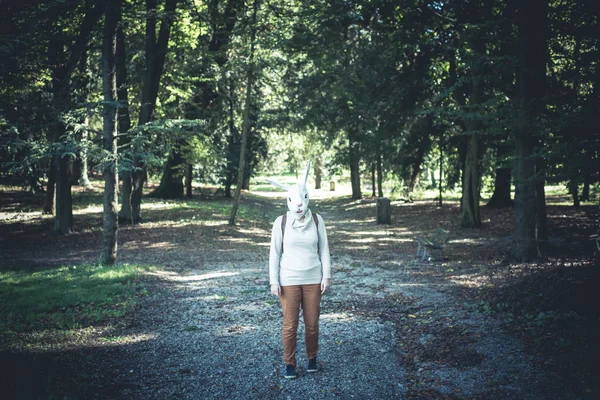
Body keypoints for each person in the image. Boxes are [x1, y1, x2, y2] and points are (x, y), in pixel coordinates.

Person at [268, 165, 331, 379]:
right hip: (288, 280)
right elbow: (275, 253)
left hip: (313, 278)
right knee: (290, 325)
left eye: (303, 199)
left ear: (307, 198)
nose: (299, 205)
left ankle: (312, 359)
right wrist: (273, 280)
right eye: (294, 201)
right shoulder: (281, 222)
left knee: (312, 324)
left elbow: (324, 249)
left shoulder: (317, 220)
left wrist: (326, 275)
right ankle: (290, 363)